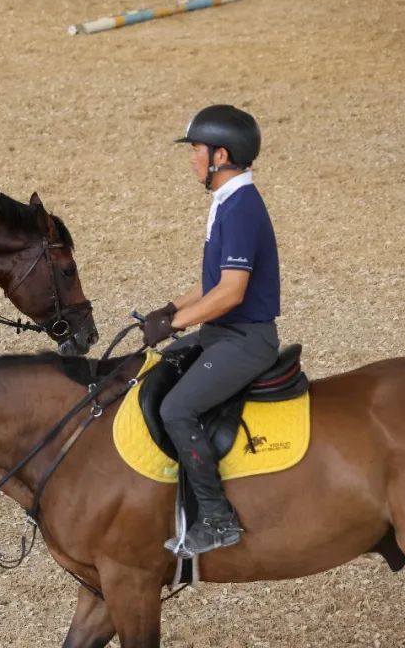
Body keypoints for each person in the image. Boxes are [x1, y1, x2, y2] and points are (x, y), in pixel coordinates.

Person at [141, 104, 280, 556]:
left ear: (221, 154)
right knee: (157, 368)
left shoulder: (240, 207)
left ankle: (218, 521)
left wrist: (178, 323)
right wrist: (168, 309)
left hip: (244, 339)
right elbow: (211, 283)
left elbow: (231, 292)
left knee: (178, 408)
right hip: (222, 333)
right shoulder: (226, 200)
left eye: (196, 149)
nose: (191, 158)